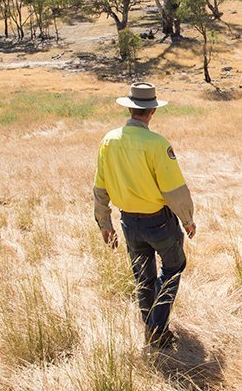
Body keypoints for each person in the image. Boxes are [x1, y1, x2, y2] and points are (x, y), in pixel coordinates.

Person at [93, 82, 196, 348]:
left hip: (128, 221)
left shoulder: (108, 140)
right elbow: (174, 190)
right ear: (152, 111)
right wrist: (187, 219)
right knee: (173, 269)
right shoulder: (157, 144)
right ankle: (156, 328)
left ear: (130, 109)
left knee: (143, 276)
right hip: (158, 221)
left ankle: (150, 325)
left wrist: (105, 223)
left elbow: (100, 187)